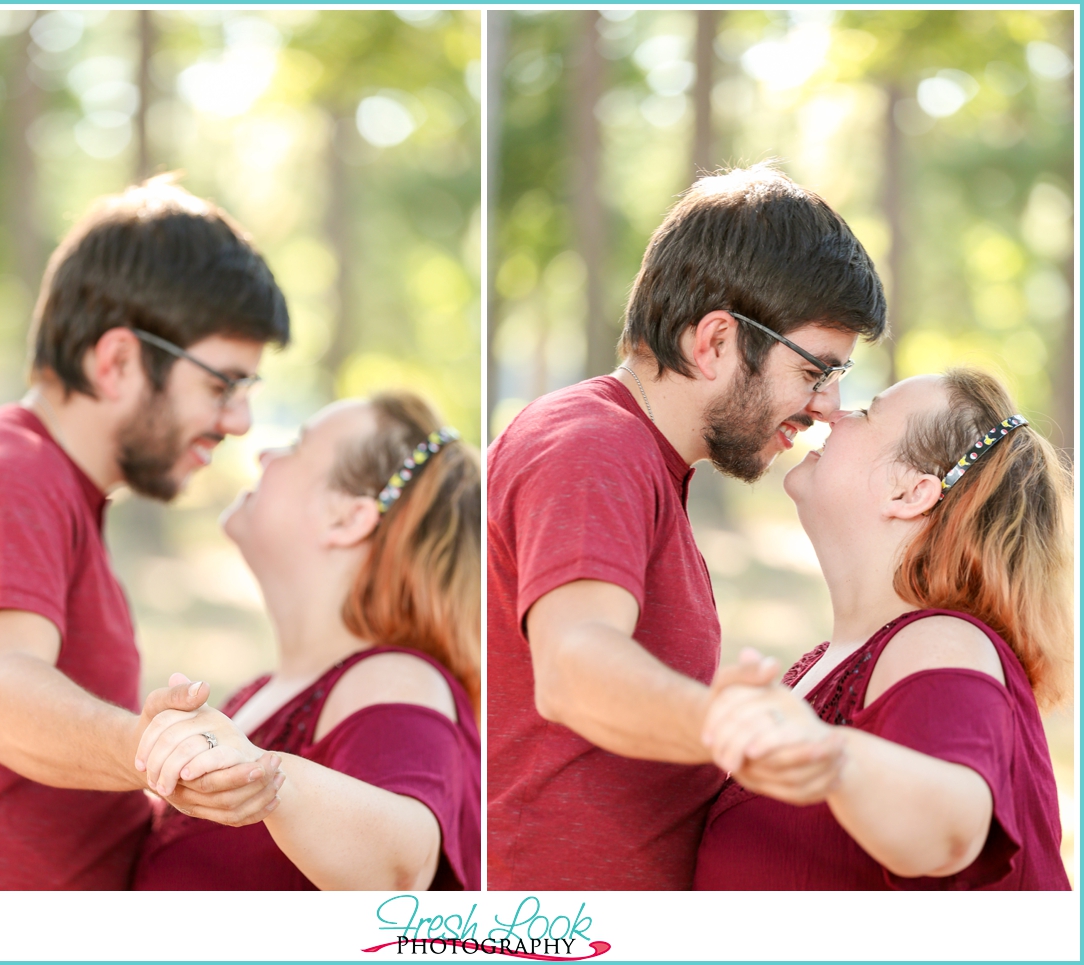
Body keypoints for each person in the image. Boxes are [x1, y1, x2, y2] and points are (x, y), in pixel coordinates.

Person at [487, 163, 888, 890]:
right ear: (715, 342)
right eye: (816, 371)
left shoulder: (646, 462)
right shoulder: (591, 444)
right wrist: (733, 724)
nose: (828, 405)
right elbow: (574, 666)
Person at [0, 178, 291, 889]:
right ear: (116, 362)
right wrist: (160, 750)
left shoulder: (51, 487)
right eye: (222, 384)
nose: (238, 422)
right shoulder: (4, 473)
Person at [695, 369, 1072, 889]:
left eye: (868, 412)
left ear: (910, 492)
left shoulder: (941, 643)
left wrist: (823, 754)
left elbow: (948, 831)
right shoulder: (835, 658)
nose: (834, 413)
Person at [131, 392, 481, 891]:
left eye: (296, 446)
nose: (262, 455)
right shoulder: (256, 693)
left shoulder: (395, 679)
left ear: (348, 518)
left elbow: (402, 872)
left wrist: (265, 777)